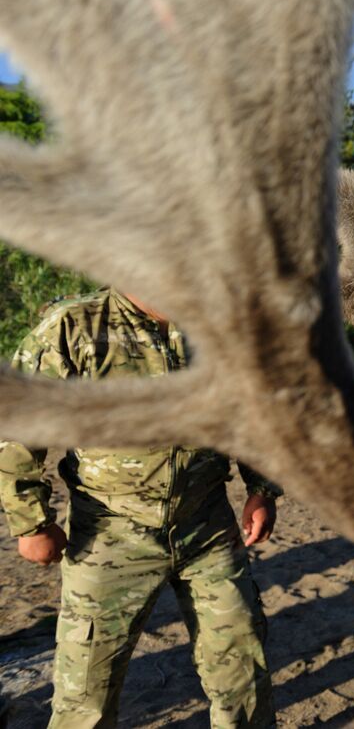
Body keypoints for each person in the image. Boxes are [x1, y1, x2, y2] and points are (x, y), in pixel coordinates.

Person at [0, 287, 279, 729]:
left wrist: (262, 487)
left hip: (206, 526)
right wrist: (31, 521)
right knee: (85, 695)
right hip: (109, 533)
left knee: (242, 670)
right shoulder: (75, 326)